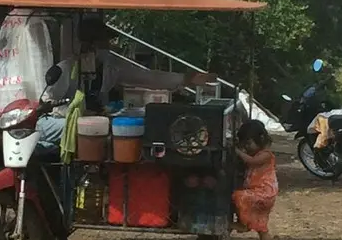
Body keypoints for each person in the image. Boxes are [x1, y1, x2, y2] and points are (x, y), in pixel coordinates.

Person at [36, 17, 216, 151]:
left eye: (105, 43)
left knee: (124, 128)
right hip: (58, 123)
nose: (106, 47)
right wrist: (79, 113)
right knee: (91, 127)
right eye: (100, 43)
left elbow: (147, 77)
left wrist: (186, 79)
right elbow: (47, 104)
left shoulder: (111, 65)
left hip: (95, 124)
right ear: (87, 45)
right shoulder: (67, 68)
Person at [232, 120, 288, 240]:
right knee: (263, 229)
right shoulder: (258, 152)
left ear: (260, 139)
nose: (247, 147)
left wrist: (237, 151)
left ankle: (243, 224)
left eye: (248, 143)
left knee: (239, 196)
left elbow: (251, 161)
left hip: (264, 193)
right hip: (260, 191)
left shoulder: (265, 155)